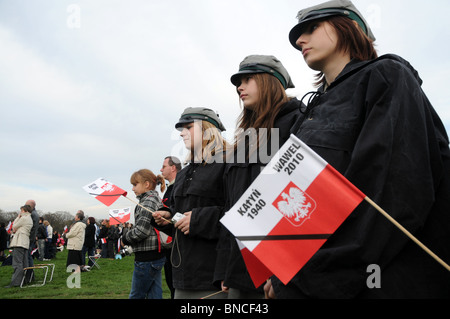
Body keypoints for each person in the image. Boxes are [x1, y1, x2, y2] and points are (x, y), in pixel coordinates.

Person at [264, 0, 450, 299]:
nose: (300, 40)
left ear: (348, 27)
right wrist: (280, 268)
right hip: (304, 277)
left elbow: (393, 194)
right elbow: (297, 199)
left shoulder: (387, 76)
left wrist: (307, 276)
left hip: (368, 283)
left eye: (312, 28)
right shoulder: (308, 112)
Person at [215, 55, 302, 299]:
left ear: (271, 81)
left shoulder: (299, 122)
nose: (240, 87)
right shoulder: (243, 140)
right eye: (238, 82)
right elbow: (230, 208)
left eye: (248, 78)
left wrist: (285, 270)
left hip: (282, 269)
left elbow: (303, 203)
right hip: (241, 268)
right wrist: (226, 267)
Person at [154, 107, 229, 299]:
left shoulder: (230, 164)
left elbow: (240, 213)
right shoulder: (184, 173)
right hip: (183, 276)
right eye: (181, 128)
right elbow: (181, 216)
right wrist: (168, 217)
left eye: (188, 127)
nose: (181, 133)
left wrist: (198, 220)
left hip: (215, 277)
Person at [122, 169, 167, 299]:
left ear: (146, 184)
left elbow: (142, 231)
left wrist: (125, 237)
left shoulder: (148, 201)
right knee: (154, 295)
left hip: (147, 258)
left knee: (137, 295)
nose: (133, 188)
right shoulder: (150, 199)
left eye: (135, 184)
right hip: (153, 256)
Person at [159, 155, 182, 299]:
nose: (160, 170)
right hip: (169, 246)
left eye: (164, 166)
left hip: (178, 244)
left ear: (173, 168)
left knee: (176, 285)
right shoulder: (169, 188)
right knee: (169, 280)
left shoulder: (179, 187)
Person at [7, 205, 33, 287]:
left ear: (25, 211)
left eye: (21, 210)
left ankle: (16, 282)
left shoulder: (24, 218)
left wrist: (18, 217)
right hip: (24, 242)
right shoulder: (29, 218)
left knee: (17, 263)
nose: (20, 212)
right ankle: (23, 281)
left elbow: (14, 225)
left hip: (19, 242)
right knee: (24, 263)